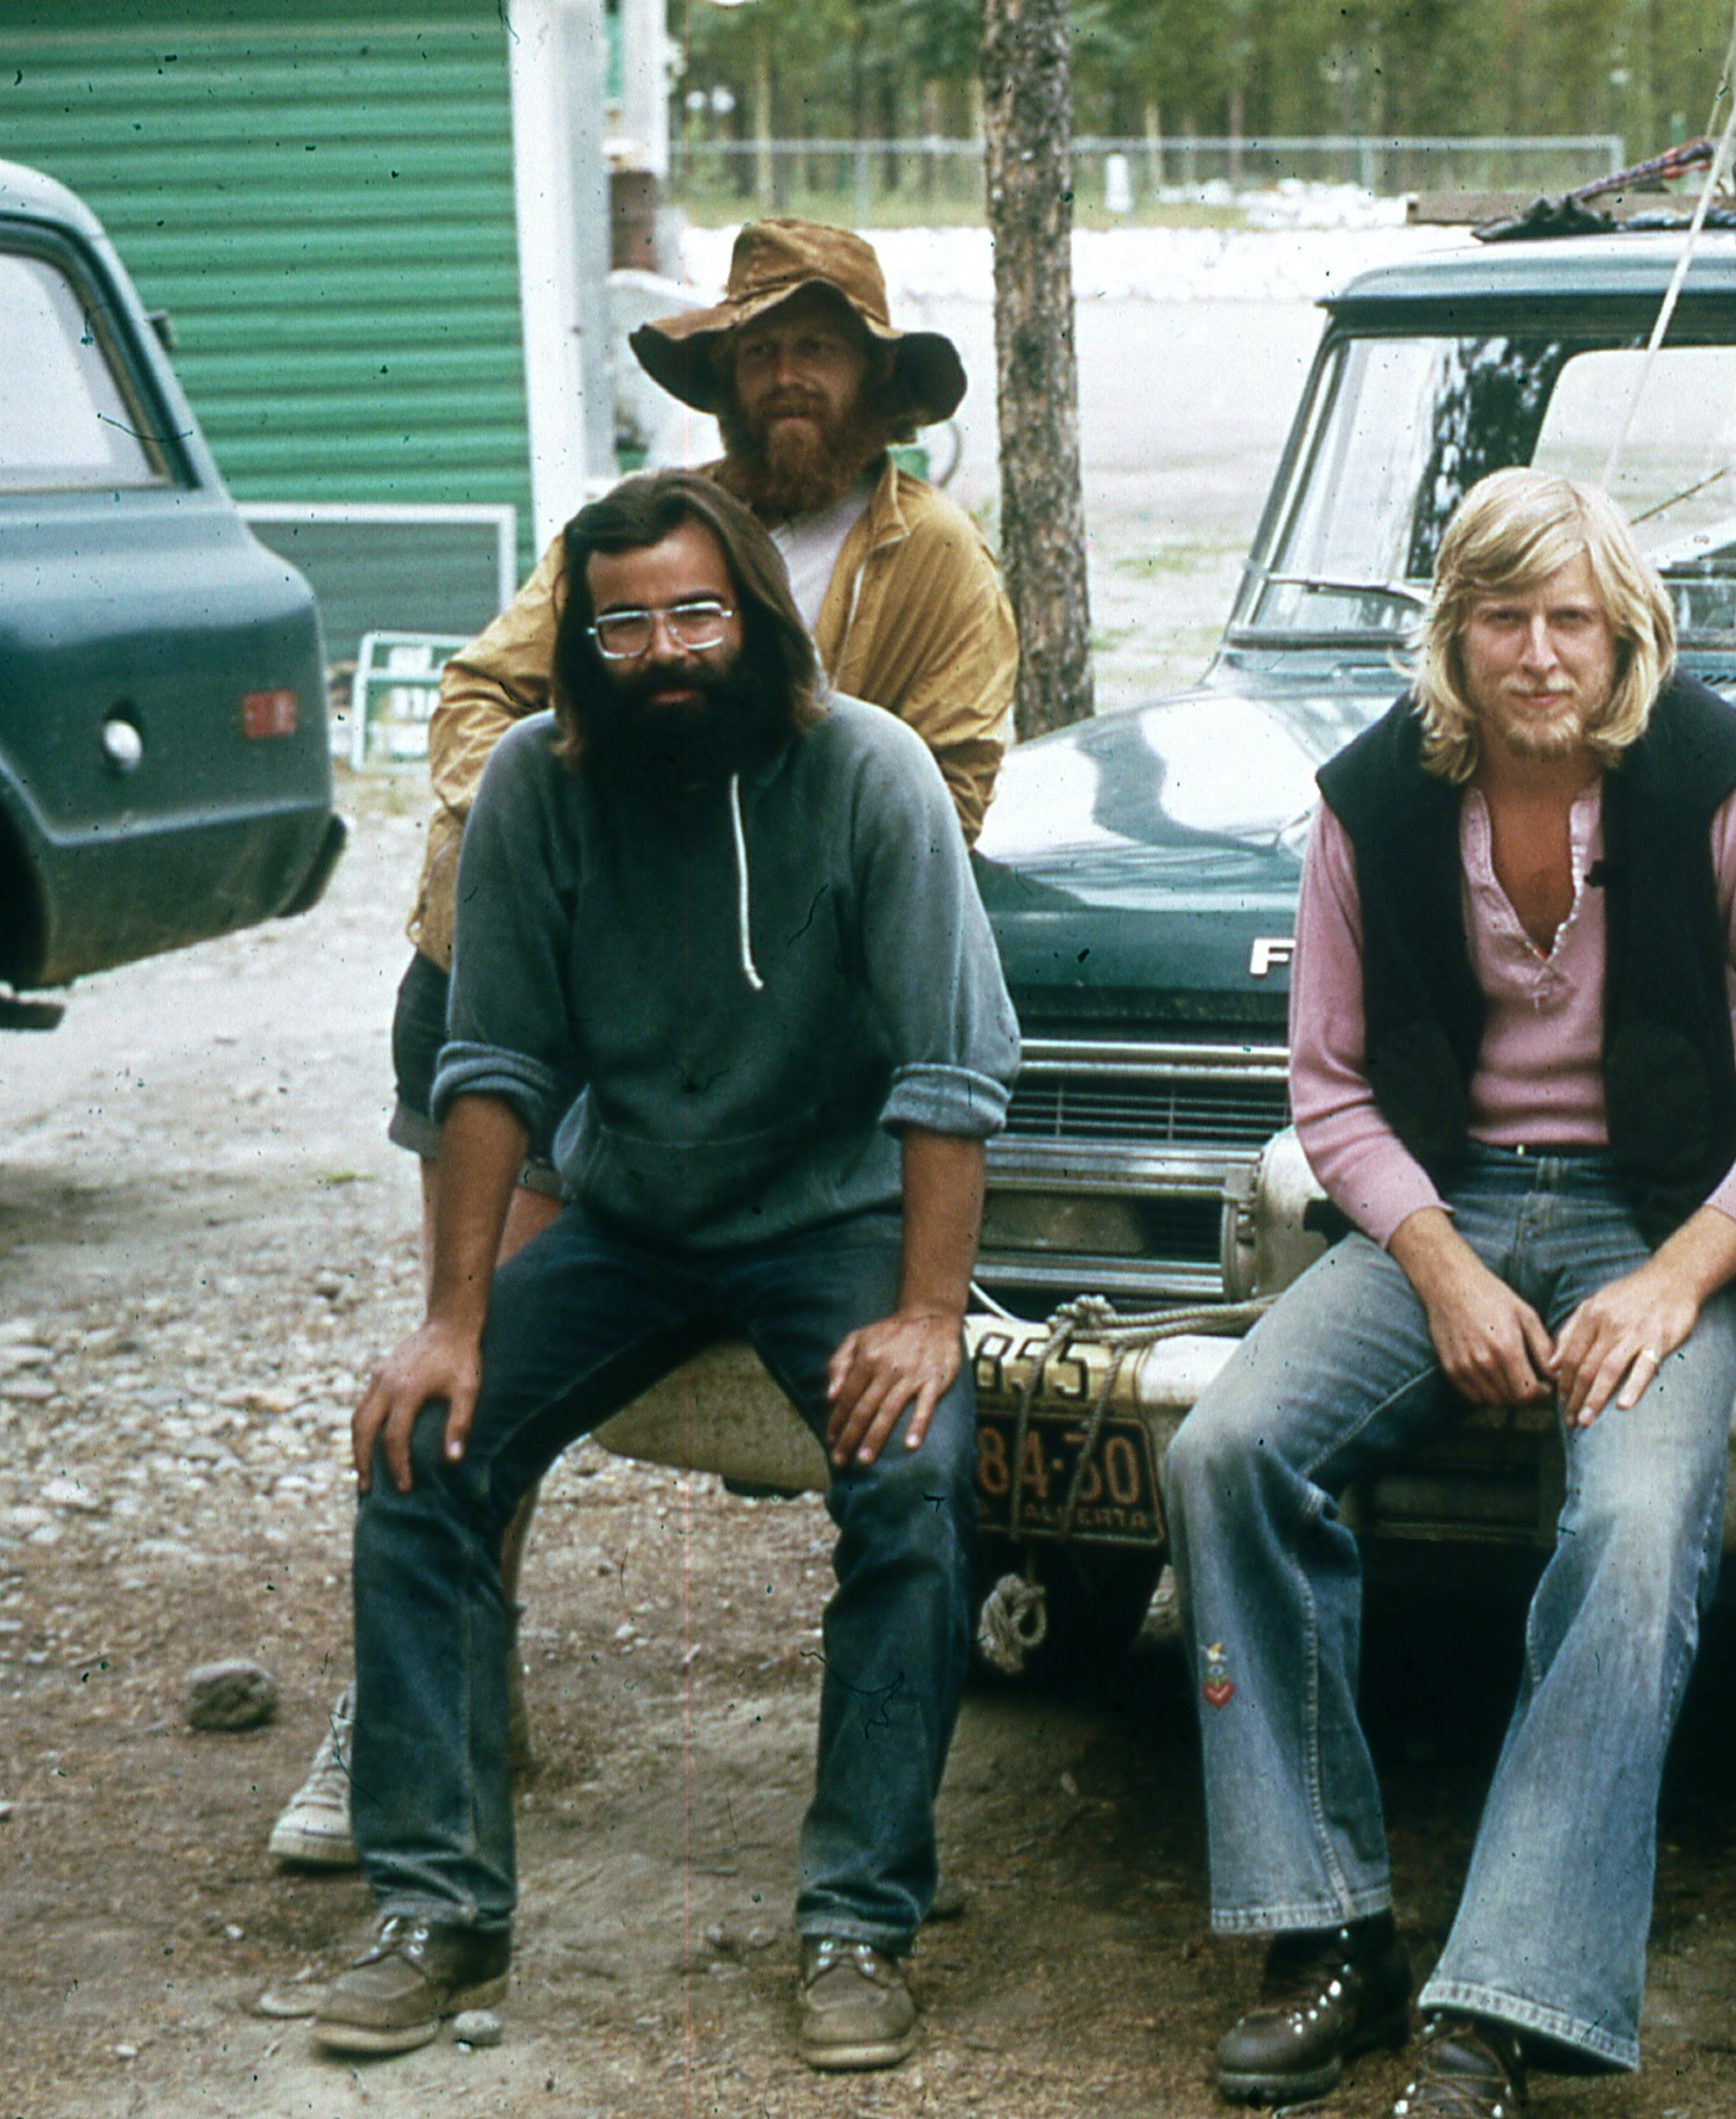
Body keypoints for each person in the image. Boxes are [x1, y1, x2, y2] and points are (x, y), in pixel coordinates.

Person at [271, 216, 1015, 1873]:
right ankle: (427, 1774)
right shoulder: (635, 539)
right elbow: (490, 697)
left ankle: (863, 1900)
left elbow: (951, 800)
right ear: (725, 377)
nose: (786, 376)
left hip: (816, 1050)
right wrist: (540, 825)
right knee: (454, 1390)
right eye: (759, 350)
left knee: (911, 1471)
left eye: (816, 348)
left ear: (875, 378)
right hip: (603, 1041)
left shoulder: (934, 568)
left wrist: (810, 831)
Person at [1161, 469, 1736, 2117]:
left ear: (1625, 633)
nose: (1540, 655)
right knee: (1223, 1453)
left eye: (1571, 619)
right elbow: (1330, 1088)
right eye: (1502, 619)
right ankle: (1328, 1933)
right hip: (1449, 1210)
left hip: (1663, 1219)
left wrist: (1677, 1282)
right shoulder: (1372, 801)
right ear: (1454, 634)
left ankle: (1505, 2002)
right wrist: (1441, 1266)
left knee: (1632, 1526)